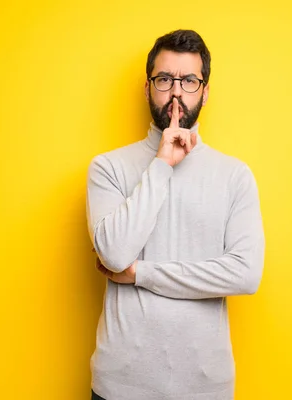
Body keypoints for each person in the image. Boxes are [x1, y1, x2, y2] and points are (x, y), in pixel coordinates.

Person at [86, 29, 265, 400]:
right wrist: (162, 163)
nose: (177, 93)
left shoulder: (235, 175)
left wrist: (141, 274)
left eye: (189, 80)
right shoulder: (108, 168)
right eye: (165, 80)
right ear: (148, 87)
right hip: (121, 386)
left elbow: (246, 274)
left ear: (205, 90)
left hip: (204, 388)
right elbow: (116, 254)